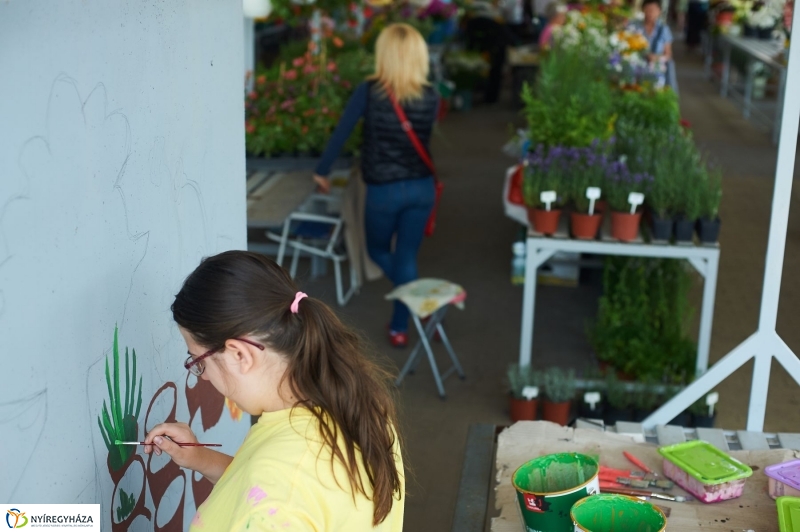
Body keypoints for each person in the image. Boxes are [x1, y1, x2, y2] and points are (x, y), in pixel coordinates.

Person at [143, 251, 404, 531]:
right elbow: (258, 492)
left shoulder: (283, 486)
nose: (202, 377)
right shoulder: (350, 401)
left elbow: (279, 493)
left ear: (240, 355)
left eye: (197, 361)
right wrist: (200, 459)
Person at [312, 24, 439, 348]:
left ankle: (417, 306)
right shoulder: (432, 95)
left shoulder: (369, 91)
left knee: (378, 250)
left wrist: (323, 170)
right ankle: (401, 324)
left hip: (384, 191)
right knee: (407, 256)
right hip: (421, 188)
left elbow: (342, 132)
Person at [632, 0, 677, 91]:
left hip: (657, 67)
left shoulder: (663, 29)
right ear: (642, 10)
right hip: (637, 64)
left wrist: (656, 57)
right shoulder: (634, 26)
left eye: (653, 10)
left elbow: (668, 54)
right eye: (647, 10)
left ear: (659, 12)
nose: (650, 13)